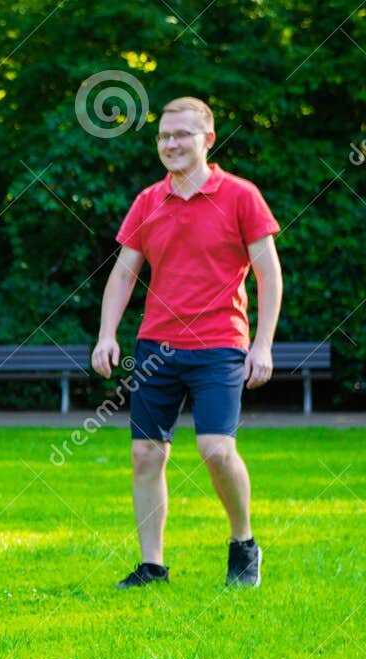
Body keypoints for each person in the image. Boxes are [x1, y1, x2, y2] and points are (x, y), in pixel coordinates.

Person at [91, 96, 282, 589]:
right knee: (145, 454)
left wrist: (262, 345)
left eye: (182, 135)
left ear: (208, 140)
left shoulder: (241, 195)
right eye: (163, 136)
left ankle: (244, 544)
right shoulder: (148, 202)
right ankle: (152, 566)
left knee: (216, 449)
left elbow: (269, 273)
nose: (171, 144)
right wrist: (106, 334)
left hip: (221, 343)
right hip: (158, 345)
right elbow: (123, 274)